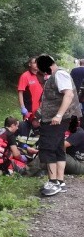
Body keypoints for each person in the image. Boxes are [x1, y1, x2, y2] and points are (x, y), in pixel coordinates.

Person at [36, 54, 79, 196]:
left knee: (48, 149)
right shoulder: (56, 75)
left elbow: (69, 95)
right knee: (59, 149)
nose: (41, 72)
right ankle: (60, 182)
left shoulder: (59, 74)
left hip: (54, 120)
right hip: (56, 119)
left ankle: (53, 182)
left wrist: (59, 115)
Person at [15, 112, 43, 176]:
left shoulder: (41, 130)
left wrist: (37, 151)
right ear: (32, 119)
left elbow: (40, 144)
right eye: (36, 121)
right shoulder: (21, 126)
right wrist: (26, 147)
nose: (38, 123)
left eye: (40, 122)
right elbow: (13, 141)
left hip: (30, 155)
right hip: (17, 151)